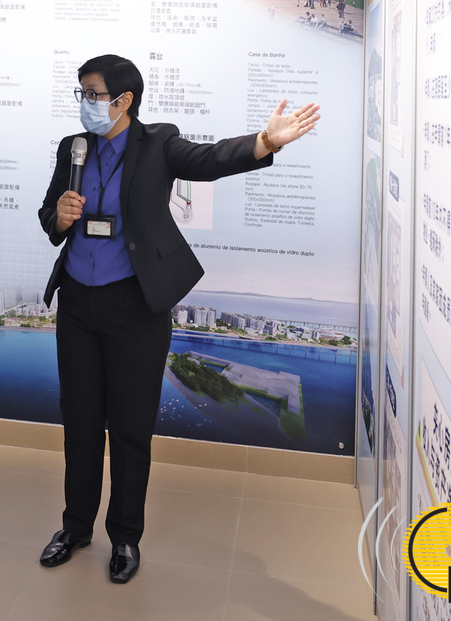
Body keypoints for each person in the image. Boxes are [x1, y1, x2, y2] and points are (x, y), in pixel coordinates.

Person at [36, 54, 318, 585]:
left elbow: (210, 159)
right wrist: (60, 217)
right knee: (80, 423)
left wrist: (266, 140)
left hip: (135, 306)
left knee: (130, 428)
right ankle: (75, 528)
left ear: (124, 101)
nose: (85, 104)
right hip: (77, 305)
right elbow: (49, 213)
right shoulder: (73, 147)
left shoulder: (158, 142)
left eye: (93, 94)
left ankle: (125, 536)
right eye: (81, 94)